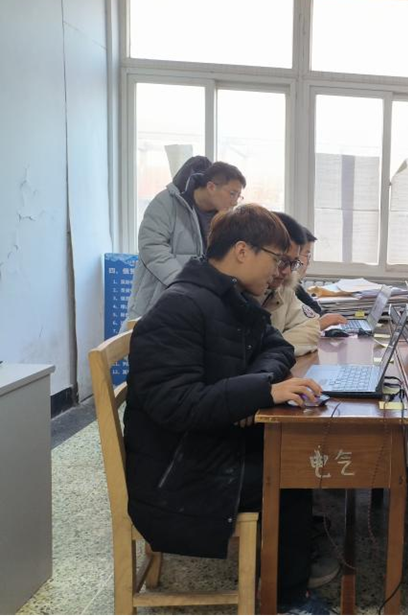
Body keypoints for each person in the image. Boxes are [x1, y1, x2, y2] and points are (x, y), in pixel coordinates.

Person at [124, 203, 334, 616]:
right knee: (290, 473)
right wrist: (261, 391)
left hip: (206, 443)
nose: (280, 271)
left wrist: (254, 387)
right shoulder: (180, 307)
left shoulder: (231, 298)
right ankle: (287, 599)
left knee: (293, 458)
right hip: (177, 473)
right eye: (276, 259)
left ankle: (286, 578)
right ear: (241, 251)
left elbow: (277, 347)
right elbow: (176, 405)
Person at [125, 160, 246, 322]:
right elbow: (152, 247)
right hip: (156, 299)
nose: (235, 201)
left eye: (239, 196)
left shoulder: (224, 218)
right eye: (232, 193)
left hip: (198, 305)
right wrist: (184, 284)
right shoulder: (167, 202)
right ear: (211, 187)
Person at [261, 213, 322, 356]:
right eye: (281, 261)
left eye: (293, 263)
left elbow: (311, 326)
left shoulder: (283, 289)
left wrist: (271, 353)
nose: (287, 271)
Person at [295, 227, 349, 330]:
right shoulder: (286, 287)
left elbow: (314, 309)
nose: (308, 262)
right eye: (307, 255)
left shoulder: (295, 286)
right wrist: (320, 323)